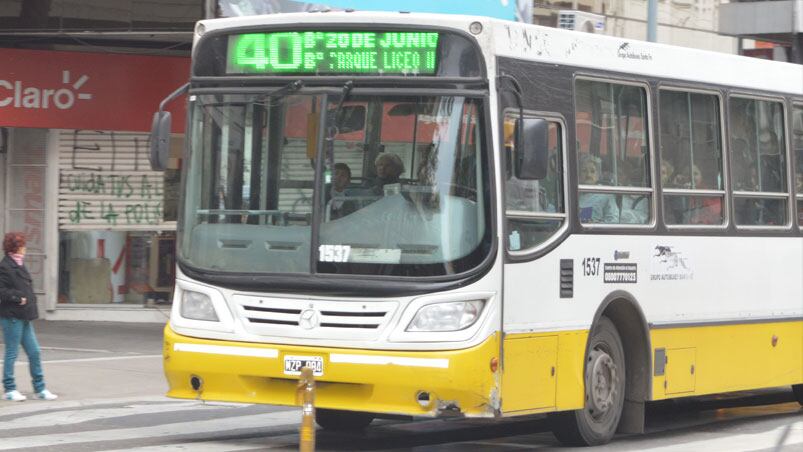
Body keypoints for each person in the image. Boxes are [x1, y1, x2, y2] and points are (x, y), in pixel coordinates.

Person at [1, 232, 58, 402]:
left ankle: (40, 388)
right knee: (12, 352)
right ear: (16, 247)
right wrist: (18, 298)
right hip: (11, 316)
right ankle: (10, 389)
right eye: (22, 244)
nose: (25, 248)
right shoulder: (5, 266)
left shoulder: (19, 264)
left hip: (24, 315)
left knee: (34, 352)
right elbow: (2, 291)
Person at [578, 154, 619, 223]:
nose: (588, 175)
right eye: (584, 171)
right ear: (579, 174)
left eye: (592, 171)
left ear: (598, 175)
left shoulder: (605, 193)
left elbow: (613, 221)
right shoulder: (572, 193)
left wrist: (595, 225)